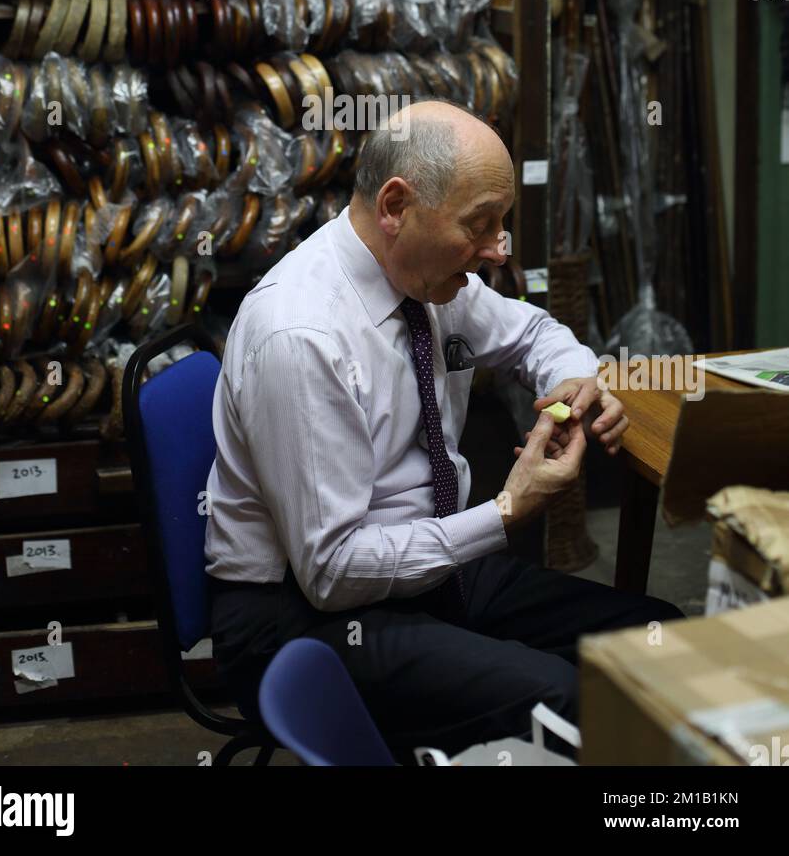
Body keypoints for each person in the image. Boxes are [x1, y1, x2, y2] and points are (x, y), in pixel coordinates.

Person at [204, 100, 683, 762]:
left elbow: (534, 332)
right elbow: (333, 573)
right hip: (306, 616)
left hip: (427, 571)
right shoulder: (301, 335)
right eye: (480, 226)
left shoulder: (425, 276)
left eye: (502, 224)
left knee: (662, 641)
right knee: (568, 698)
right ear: (397, 207)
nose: (498, 249)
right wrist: (509, 510)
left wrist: (576, 382)